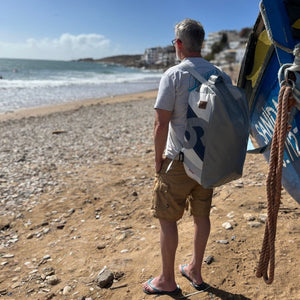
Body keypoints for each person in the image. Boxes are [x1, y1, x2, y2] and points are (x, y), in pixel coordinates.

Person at [142, 18, 231, 296]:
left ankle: (167, 279)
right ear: (201, 43)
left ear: (179, 44)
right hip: (207, 161)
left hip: (178, 162)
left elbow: (161, 124)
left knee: (168, 220)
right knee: (201, 216)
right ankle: (194, 269)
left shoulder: (173, 75)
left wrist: (158, 160)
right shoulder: (221, 76)